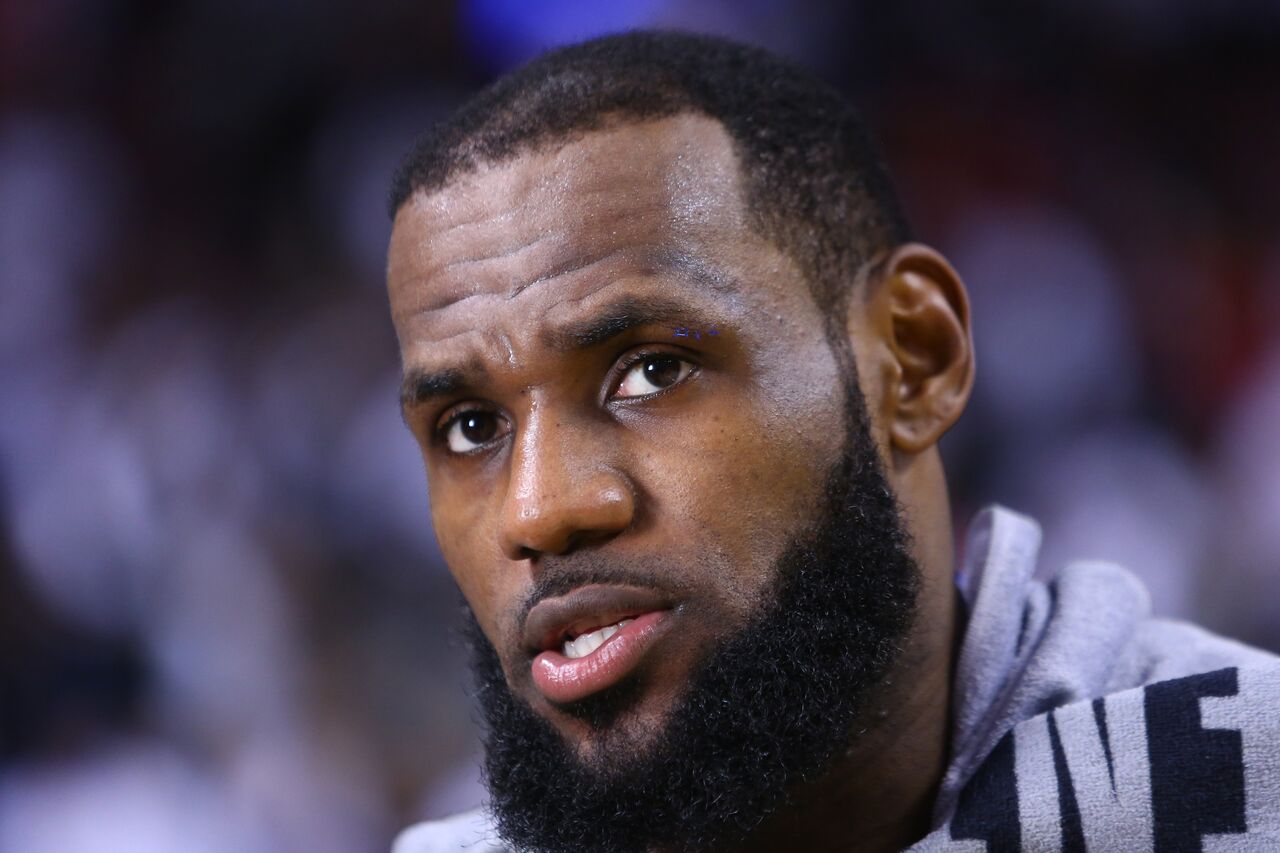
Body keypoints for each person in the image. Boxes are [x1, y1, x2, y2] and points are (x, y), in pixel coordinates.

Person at [383, 30, 1280, 853]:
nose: (538, 507)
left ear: (912, 359)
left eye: (652, 371)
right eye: (471, 427)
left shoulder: (1247, 782)